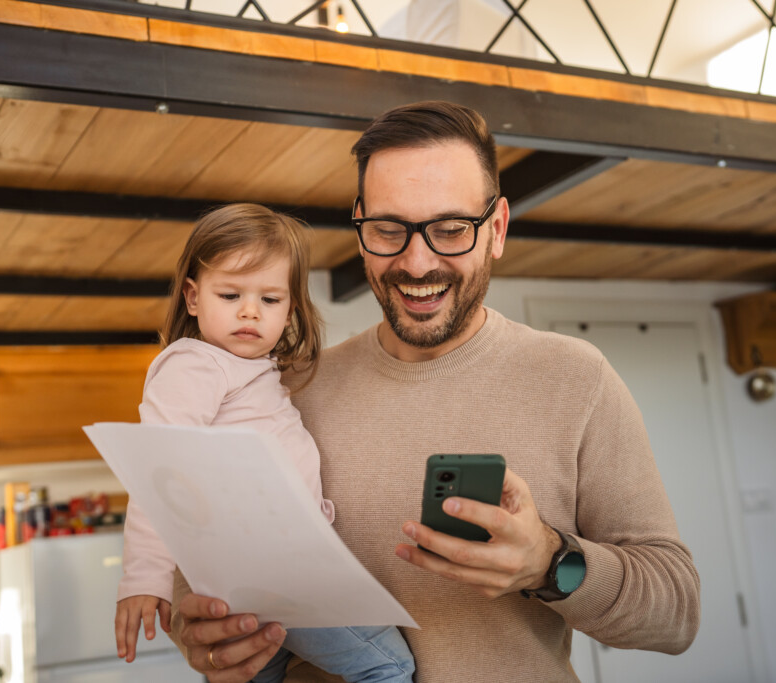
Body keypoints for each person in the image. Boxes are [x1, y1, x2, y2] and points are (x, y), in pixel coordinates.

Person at [168, 102, 701, 682]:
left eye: (450, 230)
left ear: (495, 229)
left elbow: (674, 612)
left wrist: (548, 563)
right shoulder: (281, 392)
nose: (417, 262)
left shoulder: (575, 377)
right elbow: (196, 569)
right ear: (360, 225)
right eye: (388, 230)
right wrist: (203, 636)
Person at [114, 203, 415, 683]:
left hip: (267, 569)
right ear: (193, 298)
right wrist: (144, 577)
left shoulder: (254, 371)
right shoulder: (195, 365)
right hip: (275, 569)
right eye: (230, 293)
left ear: (290, 309)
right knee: (390, 667)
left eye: (270, 300)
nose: (250, 310)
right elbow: (159, 470)